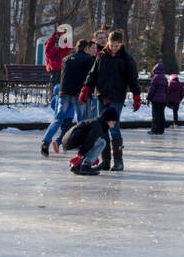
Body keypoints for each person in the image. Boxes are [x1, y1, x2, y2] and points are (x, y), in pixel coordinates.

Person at [80, 30, 141, 172]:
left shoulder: (127, 58)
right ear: (108, 42)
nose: (114, 48)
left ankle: (119, 162)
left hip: (117, 96)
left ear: (121, 44)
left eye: (117, 46)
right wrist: (86, 88)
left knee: (114, 127)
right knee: (102, 127)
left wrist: (137, 95)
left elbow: (133, 79)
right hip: (101, 95)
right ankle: (105, 161)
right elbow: (93, 74)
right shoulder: (101, 56)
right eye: (112, 45)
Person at [62, 106, 120, 176]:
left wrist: (92, 156)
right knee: (101, 142)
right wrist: (81, 155)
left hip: (68, 141)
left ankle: (77, 166)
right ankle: (86, 166)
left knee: (97, 141)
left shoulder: (97, 122)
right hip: (72, 142)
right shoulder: (98, 126)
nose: (113, 126)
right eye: (113, 122)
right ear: (108, 120)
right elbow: (89, 141)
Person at [40, 83, 75, 157]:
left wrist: (56, 111)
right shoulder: (70, 95)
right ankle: (59, 142)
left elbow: (52, 105)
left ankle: (46, 141)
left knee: (56, 124)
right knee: (66, 131)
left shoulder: (56, 97)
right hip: (68, 117)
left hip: (58, 115)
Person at [44, 25, 71, 90]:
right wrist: (55, 48)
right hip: (54, 67)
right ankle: (53, 98)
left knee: (62, 85)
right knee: (55, 85)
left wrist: (66, 43)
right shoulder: (52, 40)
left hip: (62, 66)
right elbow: (48, 54)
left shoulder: (64, 39)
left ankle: (60, 98)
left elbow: (68, 50)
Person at [148, 61, 170, 135]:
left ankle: (155, 130)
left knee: (155, 115)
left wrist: (149, 97)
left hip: (156, 100)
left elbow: (152, 89)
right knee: (161, 115)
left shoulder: (155, 78)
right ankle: (161, 130)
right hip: (163, 100)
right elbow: (167, 90)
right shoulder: (165, 78)